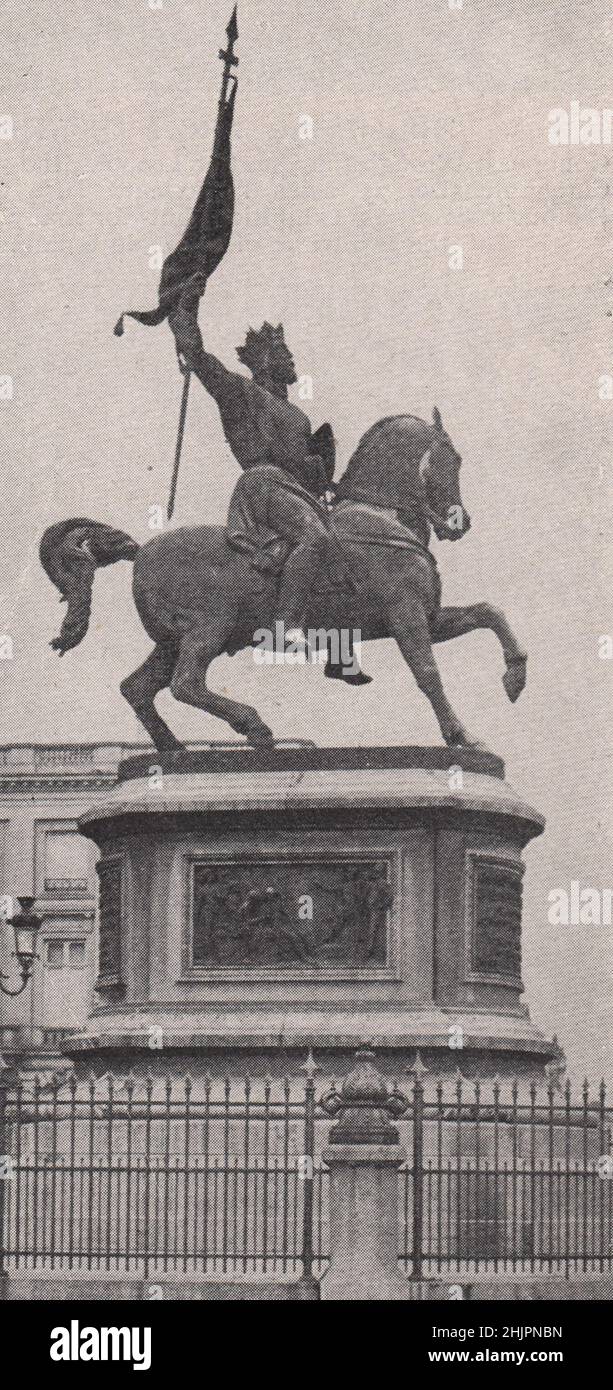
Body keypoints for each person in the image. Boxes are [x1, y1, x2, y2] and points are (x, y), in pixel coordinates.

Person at [168, 273, 370, 682]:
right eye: (283, 352)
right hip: (264, 485)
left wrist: (326, 481)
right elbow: (200, 357)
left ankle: (338, 651)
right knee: (316, 539)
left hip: (294, 489)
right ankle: (283, 631)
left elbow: (306, 468)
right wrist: (185, 308)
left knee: (346, 548)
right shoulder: (241, 393)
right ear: (262, 360)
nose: (291, 359)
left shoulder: (297, 414)